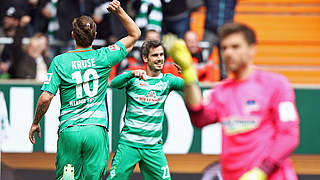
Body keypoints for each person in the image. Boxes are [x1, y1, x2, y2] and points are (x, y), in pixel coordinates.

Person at [167, 22, 300, 180]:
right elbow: (200, 118)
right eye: (224, 48)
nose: (228, 53)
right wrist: (189, 74)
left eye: (235, 47)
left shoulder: (276, 85)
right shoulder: (221, 91)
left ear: (252, 49)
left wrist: (261, 171)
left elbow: (289, 135)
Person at [28, 0, 141, 179]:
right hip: (96, 130)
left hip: (70, 130)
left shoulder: (60, 61)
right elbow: (135, 34)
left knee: (67, 177)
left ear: (73, 34)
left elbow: (45, 98)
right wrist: (119, 11)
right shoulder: (103, 56)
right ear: (95, 35)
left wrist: (36, 122)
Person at [107, 39, 184, 180]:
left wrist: (187, 71)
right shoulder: (135, 78)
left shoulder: (168, 80)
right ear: (145, 58)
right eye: (155, 55)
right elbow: (114, 84)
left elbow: (193, 87)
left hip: (153, 147)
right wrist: (130, 74)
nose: (160, 59)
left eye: (161, 55)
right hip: (129, 144)